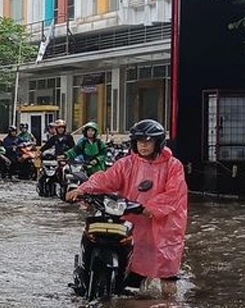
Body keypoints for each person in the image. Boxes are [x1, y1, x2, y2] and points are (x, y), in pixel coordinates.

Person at [67, 119, 187, 297]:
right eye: (139, 141)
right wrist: (82, 189)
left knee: (167, 276)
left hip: (162, 226)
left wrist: (151, 208)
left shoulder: (173, 165)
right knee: (132, 271)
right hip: (133, 221)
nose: (143, 145)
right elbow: (106, 179)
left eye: (148, 141)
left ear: (158, 143)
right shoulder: (127, 164)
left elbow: (174, 193)